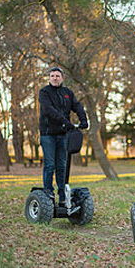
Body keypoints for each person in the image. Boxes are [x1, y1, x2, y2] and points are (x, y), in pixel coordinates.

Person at [39, 66, 88, 206]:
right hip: (48, 134)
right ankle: (48, 193)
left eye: (57, 76)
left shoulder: (67, 93)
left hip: (63, 135)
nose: (55, 78)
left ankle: (62, 195)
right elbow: (49, 110)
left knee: (62, 165)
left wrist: (83, 120)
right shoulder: (44, 92)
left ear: (62, 78)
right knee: (50, 165)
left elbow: (77, 106)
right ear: (49, 78)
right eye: (52, 76)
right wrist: (65, 122)